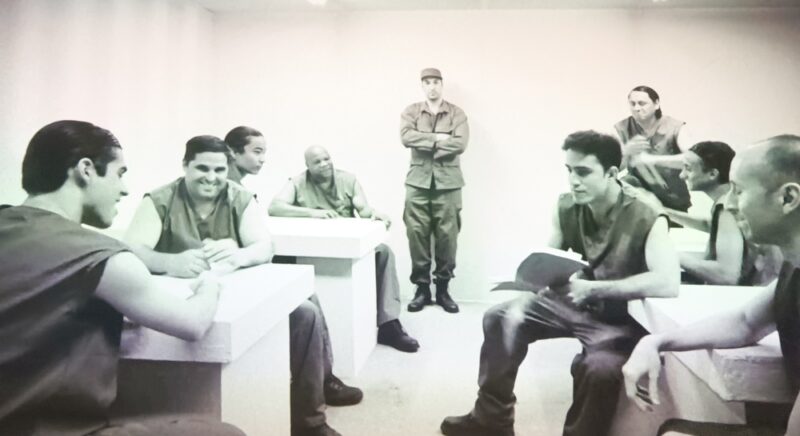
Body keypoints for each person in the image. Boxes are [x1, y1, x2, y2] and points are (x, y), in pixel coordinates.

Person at [0, 120, 243, 436]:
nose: (125, 189)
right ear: (86, 170)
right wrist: (209, 286)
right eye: (119, 174)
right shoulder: (99, 255)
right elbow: (192, 323)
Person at [441, 130, 680, 436]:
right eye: (569, 170)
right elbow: (549, 257)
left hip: (619, 318)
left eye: (583, 172)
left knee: (599, 369)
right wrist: (533, 280)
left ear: (611, 173)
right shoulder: (567, 206)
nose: (573, 181)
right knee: (500, 317)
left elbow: (667, 281)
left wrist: (595, 289)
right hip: (575, 303)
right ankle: (491, 419)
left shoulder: (646, 213)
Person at [124, 134, 346, 436]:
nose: (212, 178)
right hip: (179, 303)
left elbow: (264, 246)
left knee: (306, 314)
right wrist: (169, 262)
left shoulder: (239, 197)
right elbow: (133, 250)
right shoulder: (159, 199)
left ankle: (310, 422)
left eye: (219, 170)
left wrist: (239, 254)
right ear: (185, 165)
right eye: (202, 168)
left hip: (235, 293)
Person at [622, 134, 800, 436]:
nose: (728, 204)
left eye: (738, 191)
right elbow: (745, 322)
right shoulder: (793, 270)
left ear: (788, 198)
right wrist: (656, 342)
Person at [267, 144, 420, 353]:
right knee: (279, 257)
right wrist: (312, 213)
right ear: (307, 166)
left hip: (346, 245)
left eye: (326, 158)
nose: (324, 164)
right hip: (310, 246)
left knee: (383, 252)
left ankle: (389, 325)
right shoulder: (297, 182)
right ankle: (288, 326)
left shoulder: (348, 180)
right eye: (317, 162)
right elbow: (275, 207)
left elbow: (363, 209)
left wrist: (375, 214)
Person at [400, 67, 469, 314]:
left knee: (447, 237)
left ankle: (442, 289)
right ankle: (421, 289)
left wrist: (425, 142)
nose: (432, 87)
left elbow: (460, 143)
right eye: (427, 82)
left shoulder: (457, 113)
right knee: (416, 234)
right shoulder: (411, 111)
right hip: (418, 182)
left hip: (448, 182)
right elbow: (406, 138)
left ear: (442, 85)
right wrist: (438, 138)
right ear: (422, 86)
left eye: (436, 82)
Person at [665, 141, 758, 285]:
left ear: (713, 174)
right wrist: (663, 211)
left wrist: (668, 253)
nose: (682, 175)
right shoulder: (730, 200)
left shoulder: (727, 208)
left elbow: (726, 275)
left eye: (688, 169)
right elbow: (711, 225)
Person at [615, 85, 692, 212]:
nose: (636, 108)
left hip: (673, 200)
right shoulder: (622, 128)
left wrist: (652, 160)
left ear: (656, 104)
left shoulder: (675, 127)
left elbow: (693, 160)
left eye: (642, 103)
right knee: (625, 183)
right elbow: (611, 170)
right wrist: (625, 152)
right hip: (638, 201)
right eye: (632, 104)